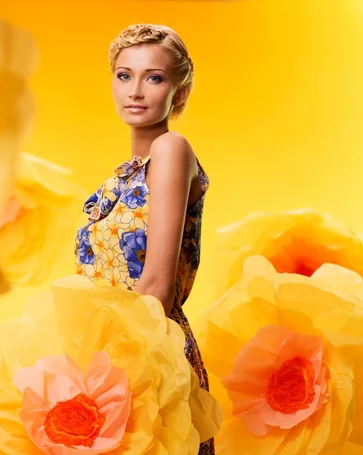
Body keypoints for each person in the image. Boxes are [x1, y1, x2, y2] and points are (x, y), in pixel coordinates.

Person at [74, 23, 213, 454]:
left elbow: (157, 287)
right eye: (124, 75)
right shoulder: (127, 173)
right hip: (105, 357)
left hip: (148, 358)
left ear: (180, 92)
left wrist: (116, 378)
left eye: (153, 77)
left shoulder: (172, 150)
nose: (135, 90)